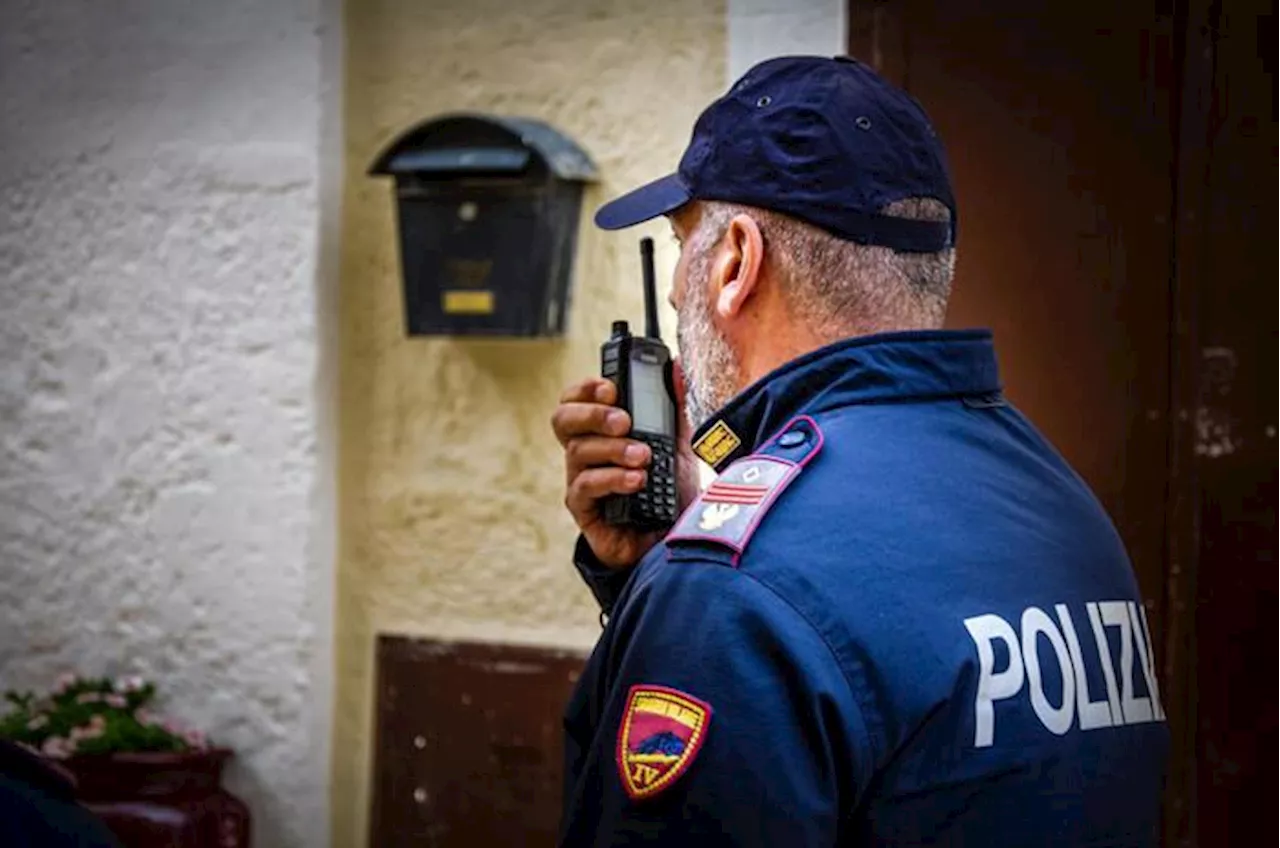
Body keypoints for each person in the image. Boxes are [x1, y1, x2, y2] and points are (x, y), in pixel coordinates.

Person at [550, 55, 1168, 846]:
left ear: (736, 261)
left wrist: (682, 597)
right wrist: (651, 574)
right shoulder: (1063, 508)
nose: (675, 292)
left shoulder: (732, 586)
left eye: (682, 243)